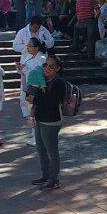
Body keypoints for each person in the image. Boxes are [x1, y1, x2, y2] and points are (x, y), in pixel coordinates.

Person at [28, 54, 68, 190]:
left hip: (51, 121)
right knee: (41, 149)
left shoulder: (59, 82)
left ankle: (54, 179)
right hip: (40, 119)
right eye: (45, 65)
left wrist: (35, 99)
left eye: (51, 66)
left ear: (57, 68)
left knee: (51, 151)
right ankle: (45, 175)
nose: (47, 68)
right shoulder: (43, 80)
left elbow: (52, 102)